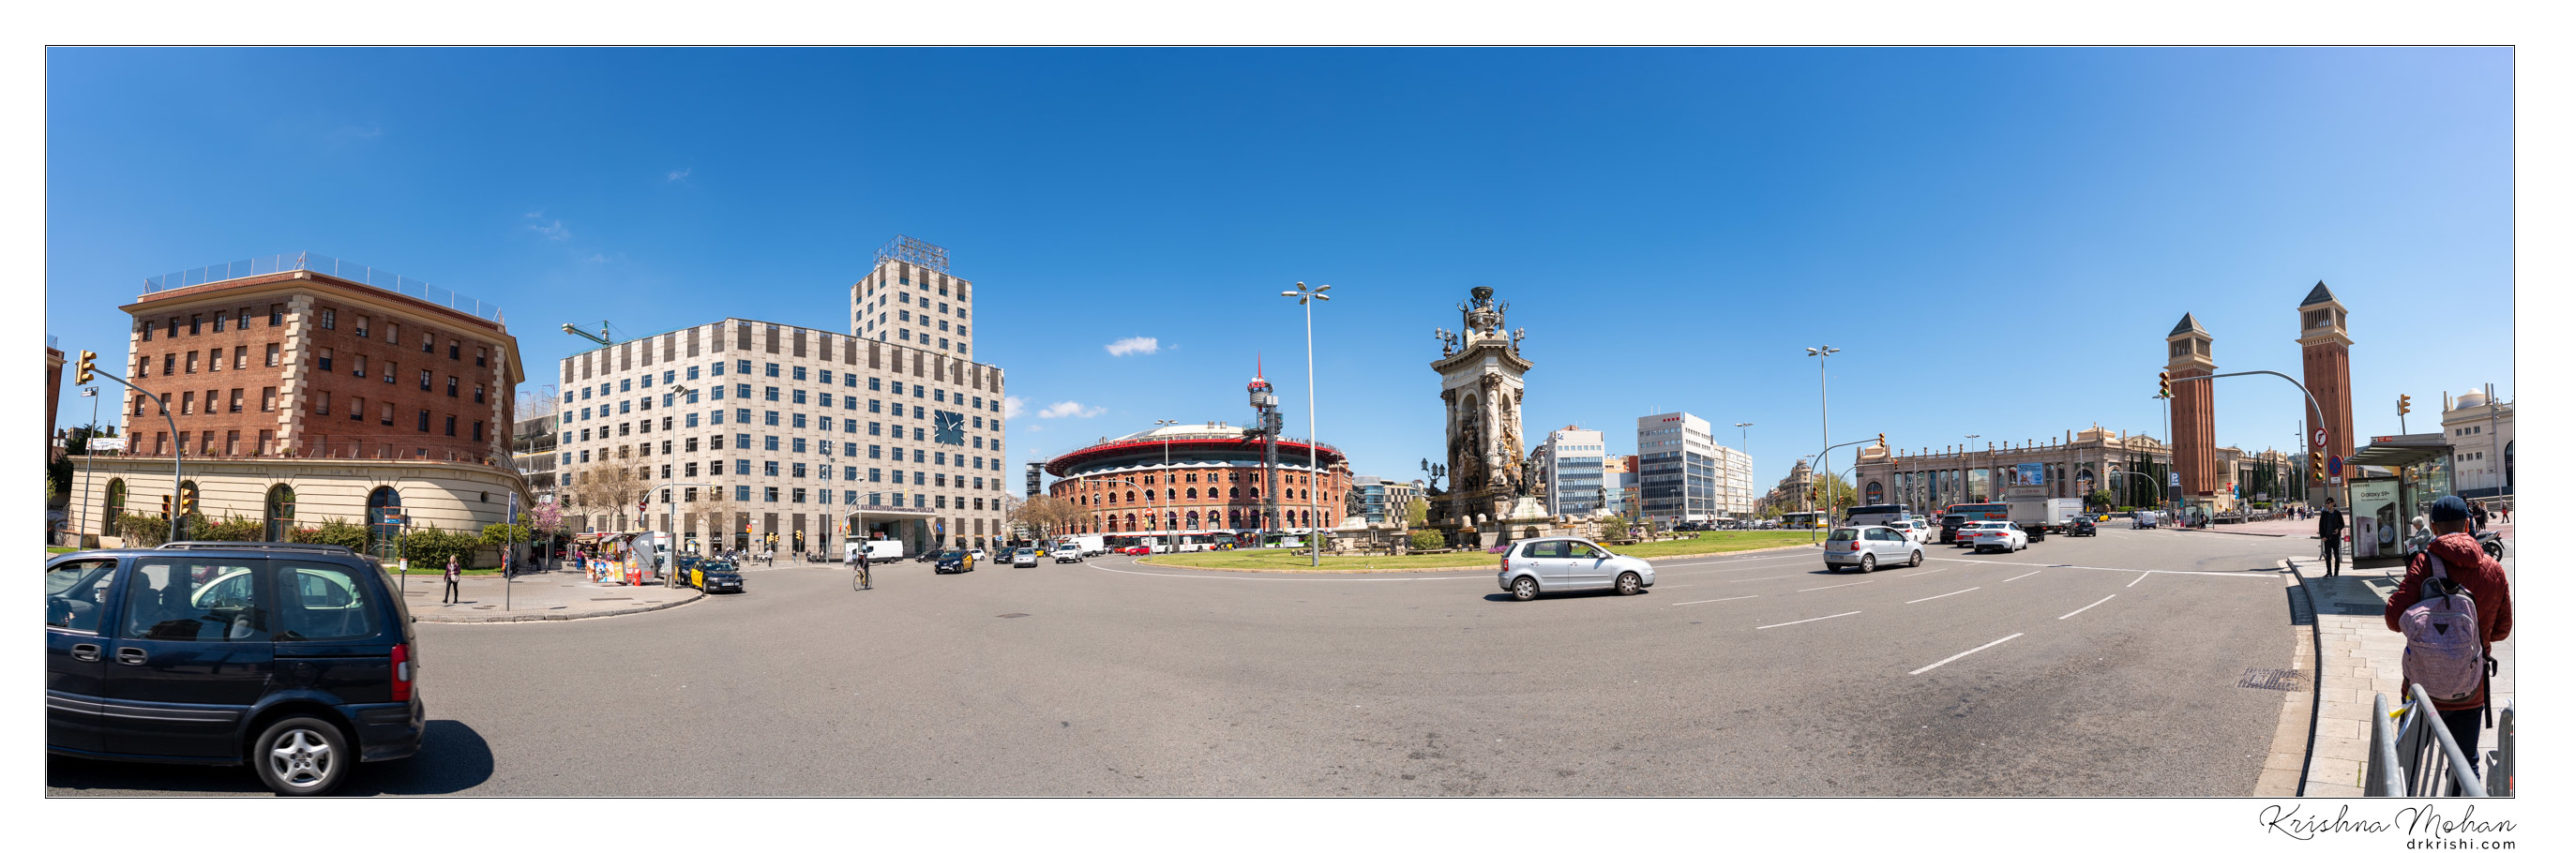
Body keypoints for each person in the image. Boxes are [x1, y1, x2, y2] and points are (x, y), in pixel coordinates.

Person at [2383, 495, 2513, 773]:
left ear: (2434, 526)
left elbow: (2394, 619)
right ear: (2468, 523)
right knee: (2465, 766)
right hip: (2471, 687)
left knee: (2407, 763)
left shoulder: (2423, 564)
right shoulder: (2494, 569)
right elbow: (2502, 630)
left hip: (2422, 687)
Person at [2317, 498, 2346, 577]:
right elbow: (2321, 526)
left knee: (2336, 556)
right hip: (2327, 538)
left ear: (2333, 503)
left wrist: (2338, 529)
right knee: (2328, 556)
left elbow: (2342, 524)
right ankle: (2329, 572)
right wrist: (2322, 536)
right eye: (2326, 503)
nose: (2327, 504)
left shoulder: (2337, 513)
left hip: (2335, 538)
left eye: (2329, 503)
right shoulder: (2324, 514)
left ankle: (2336, 573)